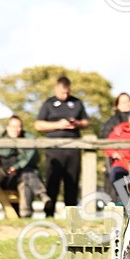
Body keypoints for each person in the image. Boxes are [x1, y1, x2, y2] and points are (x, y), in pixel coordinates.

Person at [35, 75, 89, 217]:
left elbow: (86, 122)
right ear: (56, 89)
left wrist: (76, 123)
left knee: (72, 182)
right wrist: (57, 125)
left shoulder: (77, 102)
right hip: (54, 149)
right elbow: (38, 124)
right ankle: (49, 214)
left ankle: (72, 217)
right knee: (52, 181)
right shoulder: (49, 103)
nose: (65, 95)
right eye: (62, 92)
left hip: (73, 148)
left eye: (67, 92)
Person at [0, 116, 48, 218]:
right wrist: (15, 167)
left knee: (26, 180)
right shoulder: (2, 142)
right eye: (13, 126)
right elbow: (5, 159)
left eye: (18, 127)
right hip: (7, 177)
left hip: (23, 176)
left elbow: (31, 157)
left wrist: (17, 167)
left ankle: (25, 215)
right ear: (8, 127)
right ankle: (41, 193)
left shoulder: (28, 140)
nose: (16, 129)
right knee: (27, 174)